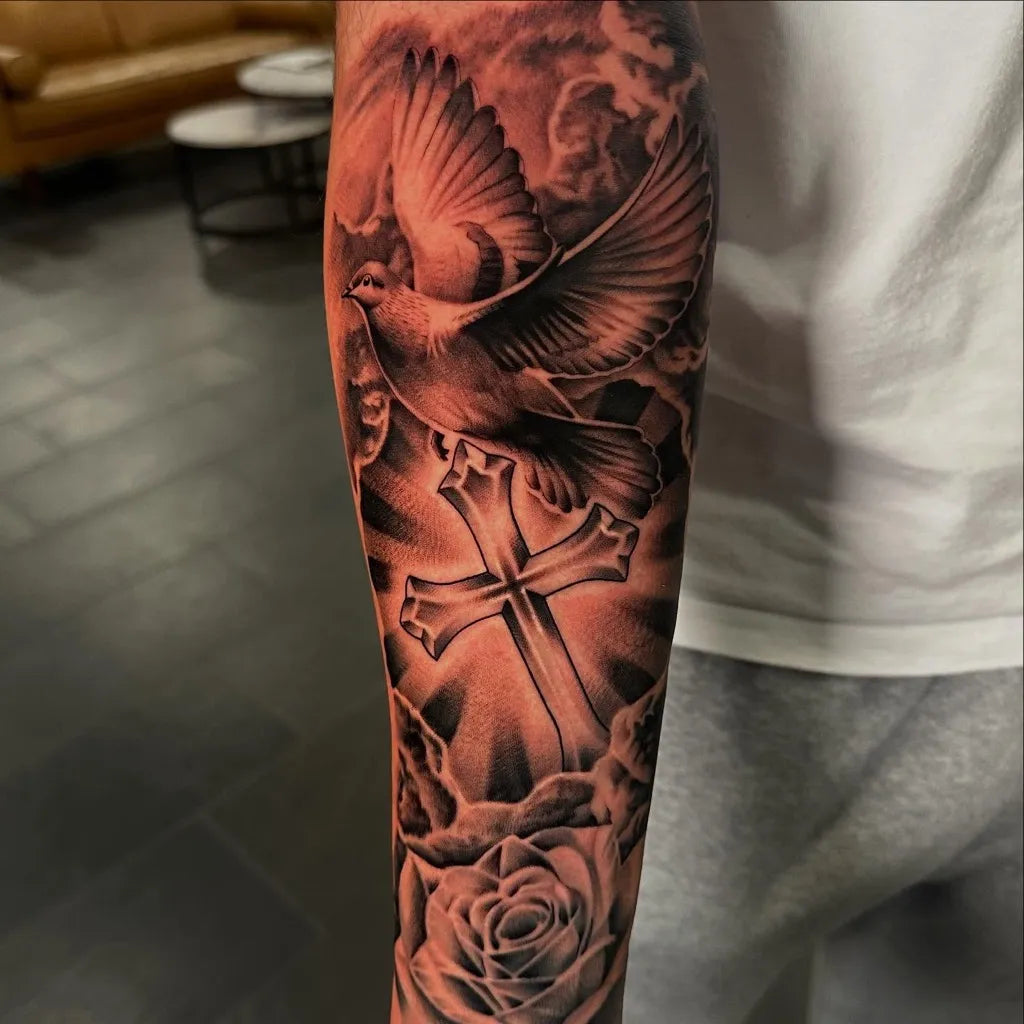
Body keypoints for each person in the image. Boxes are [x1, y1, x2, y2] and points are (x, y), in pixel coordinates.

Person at [323, 2, 1023, 1022]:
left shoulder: (445, 322)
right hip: (682, 666)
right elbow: (470, 28)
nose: (371, 296)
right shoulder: (417, 316)